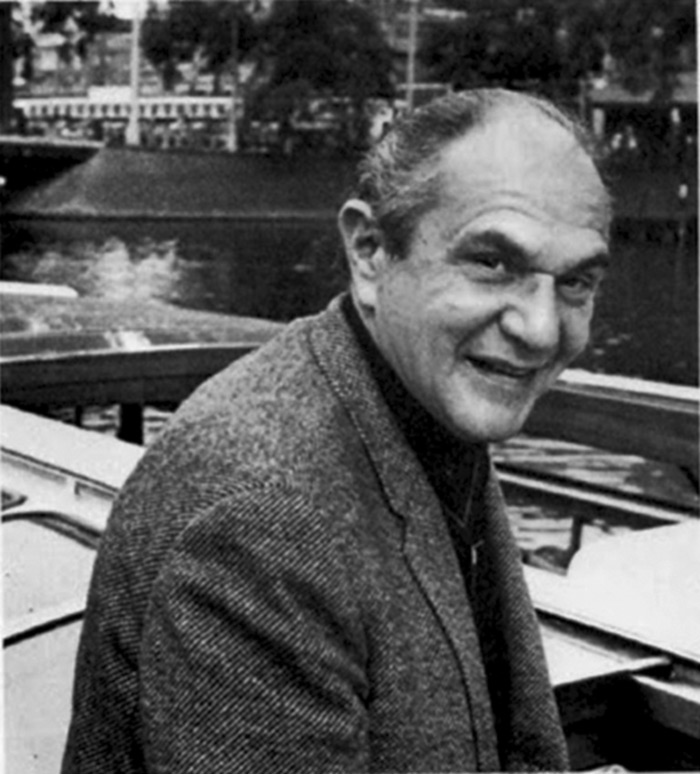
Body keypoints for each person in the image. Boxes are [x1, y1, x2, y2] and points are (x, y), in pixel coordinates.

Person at [62, 88, 611, 773]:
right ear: (370, 252)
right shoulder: (263, 513)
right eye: (492, 263)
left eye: (576, 282)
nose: (543, 329)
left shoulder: (419, 395)